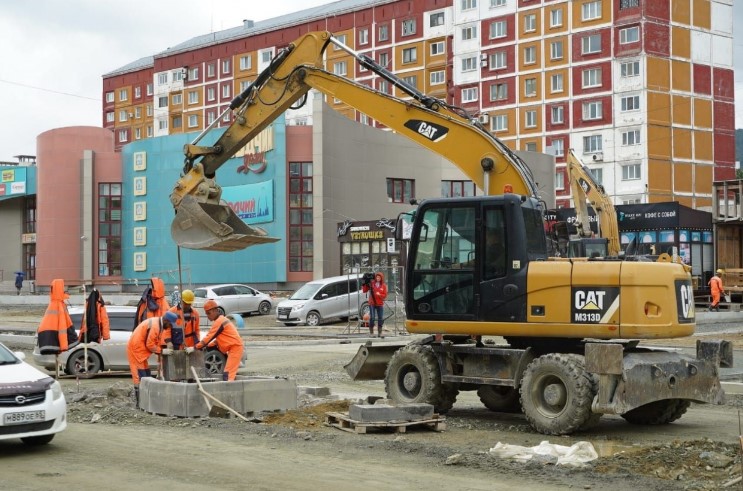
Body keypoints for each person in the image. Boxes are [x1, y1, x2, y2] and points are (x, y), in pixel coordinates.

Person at [127, 311, 177, 405]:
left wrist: (160, 352)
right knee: (139, 377)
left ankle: (146, 401)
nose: (170, 327)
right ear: (166, 321)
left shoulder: (158, 324)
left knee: (146, 375)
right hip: (136, 351)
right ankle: (140, 403)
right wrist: (162, 351)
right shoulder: (155, 326)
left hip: (140, 350)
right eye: (170, 324)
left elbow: (153, 341)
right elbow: (150, 345)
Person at [189, 299, 244, 381]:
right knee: (227, 374)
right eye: (206, 314)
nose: (207, 316)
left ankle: (228, 391)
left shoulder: (219, 322)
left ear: (215, 310)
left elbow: (209, 337)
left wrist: (195, 348)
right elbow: (220, 339)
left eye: (209, 313)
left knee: (228, 375)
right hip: (233, 348)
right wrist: (208, 346)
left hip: (235, 348)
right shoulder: (221, 320)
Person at [37, 279, 79, 355]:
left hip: (47, 336)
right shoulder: (59, 305)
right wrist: (64, 347)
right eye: (63, 287)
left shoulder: (54, 303)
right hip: (53, 337)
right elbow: (62, 328)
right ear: (60, 288)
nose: (65, 289)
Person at [362, 272, 387, 337]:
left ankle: (380, 332)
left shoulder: (383, 285)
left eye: (379, 277)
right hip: (372, 303)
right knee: (372, 317)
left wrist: (380, 295)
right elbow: (364, 290)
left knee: (380, 318)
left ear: (381, 278)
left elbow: (385, 295)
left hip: (380, 303)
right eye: (377, 277)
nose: (378, 278)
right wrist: (364, 283)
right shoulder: (372, 284)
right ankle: (371, 332)